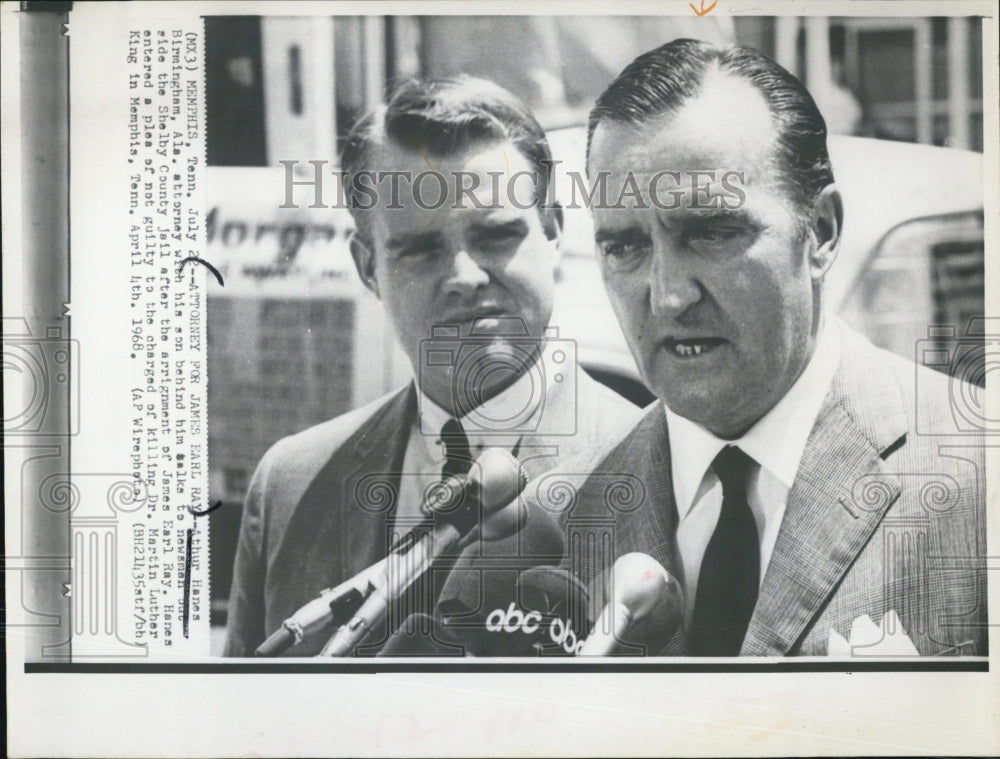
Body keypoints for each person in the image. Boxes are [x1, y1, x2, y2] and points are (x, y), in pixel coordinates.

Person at [530, 39, 987, 656]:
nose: (668, 297)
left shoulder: (978, 477)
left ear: (820, 231)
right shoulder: (553, 524)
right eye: (625, 247)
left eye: (712, 232)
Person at [224, 77, 641, 657]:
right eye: (420, 251)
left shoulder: (656, 468)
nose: (465, 277)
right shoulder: (290, 485)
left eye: (495, 236)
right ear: (368, 268)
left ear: (552, 232)